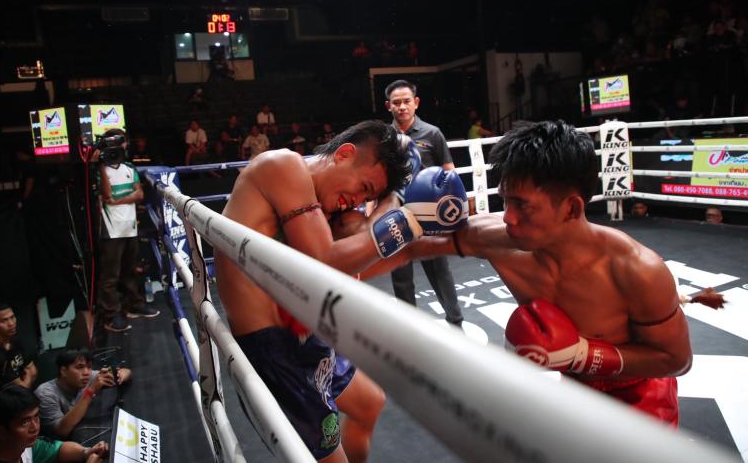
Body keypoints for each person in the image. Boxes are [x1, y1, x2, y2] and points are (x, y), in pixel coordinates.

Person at [386, 120, 692, 425]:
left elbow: (676, 360)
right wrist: (393, 214)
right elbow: (407, 248)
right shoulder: (497, 240)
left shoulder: (637, 270)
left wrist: (583, 355)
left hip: (639, 397)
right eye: (505, 200)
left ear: (571, 208)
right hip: (575, 393)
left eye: (522, 205)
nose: (508, 217)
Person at [216, 120, 461, 462]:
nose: (356, 201)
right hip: (274, 347)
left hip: (303, 335)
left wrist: (398, 204)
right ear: (344, 154)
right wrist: (408, 220)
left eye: (368, 198)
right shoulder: (283, 165)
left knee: (369, 403)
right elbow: (326, 260)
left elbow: (360, 256)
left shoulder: (322, 209)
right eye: (364, 187)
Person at [385, 79, 464, 327]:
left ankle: (455, 319)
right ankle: (410, 327)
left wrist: (455, 211)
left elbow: (449, 172)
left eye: (406, 101)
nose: (402, 106)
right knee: (400, 273)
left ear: (416, 103)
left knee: (439, 270)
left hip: (429, 214)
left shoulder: (432, 133)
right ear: (388, 106)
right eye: (396, 102)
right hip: (396, 212)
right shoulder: (384, 138)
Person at [95, 129, 159, 332]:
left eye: (122, 143)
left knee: (131, 269)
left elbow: (139, 194)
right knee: (110, 275)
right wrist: (101, 164)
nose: (122, 147)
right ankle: (111, 315)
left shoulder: (130, 167)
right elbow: (106, 195)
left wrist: (118, 200)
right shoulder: (99, 171)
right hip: (111, 230)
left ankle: (135, 305)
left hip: (130, 226)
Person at [0, 385, 108, 463]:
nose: (35, 427)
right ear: (0, 432)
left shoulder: (23, 446)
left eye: (36, 417)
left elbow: (59, 449)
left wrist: (86, 452)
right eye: (25, 422)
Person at [35, 349, 131, 439]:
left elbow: (126, 372)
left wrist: (121, 374)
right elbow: (61, 431)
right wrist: (90, 391)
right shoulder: (45, 393)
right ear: (63, 371)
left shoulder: (89, 377)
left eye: (89, 367)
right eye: (80, 367)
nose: (86, 372)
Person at [0, 304, 38, 392]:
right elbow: (21, 388)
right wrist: (28, 376)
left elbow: (33, 371)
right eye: (4, 320)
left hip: (27, 393)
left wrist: (27, 380)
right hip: (9, 398)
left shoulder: (15, 339)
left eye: (12, 317)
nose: (11, 323)